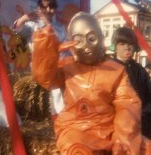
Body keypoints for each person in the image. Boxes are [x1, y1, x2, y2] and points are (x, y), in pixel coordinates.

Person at [32, 12, 151, 154]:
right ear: (70, 44)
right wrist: (46, 47)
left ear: (101, 38)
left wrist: (124, 137)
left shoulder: (116, 70)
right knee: (77, 150)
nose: (87, 46)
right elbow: (45, 78)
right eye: (78, 40)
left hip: (110, 128)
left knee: (144, 147)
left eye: (91, 38)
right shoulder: (66, 68)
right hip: (75, 128)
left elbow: (127, 104)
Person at [13, 0, 69, 115]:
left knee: (60, 88)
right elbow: (17, 29)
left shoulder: (60, 28)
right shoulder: (33, 26)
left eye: (52, 7)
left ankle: (59, 119)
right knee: (53, 88)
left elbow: (65, 52)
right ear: (39, 8)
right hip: (39, 69)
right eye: (45, 7)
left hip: (56, 68)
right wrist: (25, 17)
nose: (48, 10)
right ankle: (58, 116)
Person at [112, 26, 151, 139]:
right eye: (122, 44)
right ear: (115, 45)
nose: (127, 48)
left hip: (141, 127)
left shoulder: (140, 70)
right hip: (116, 129)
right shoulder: (108, 68)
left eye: (130, 44)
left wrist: (142, 115)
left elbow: (149, 97)